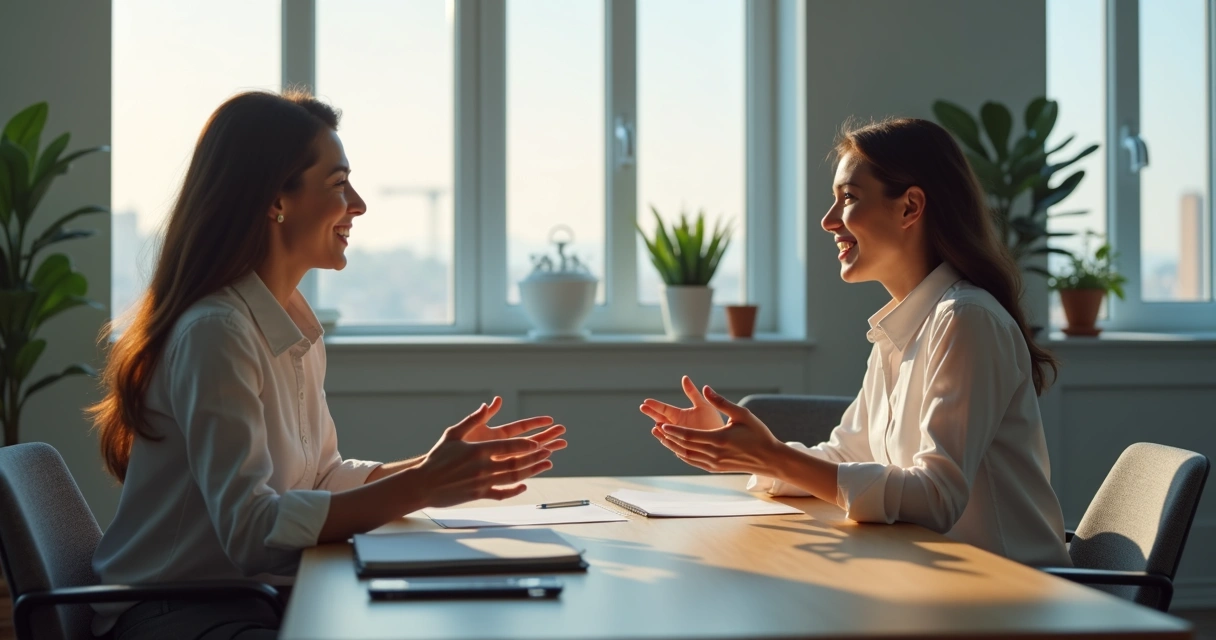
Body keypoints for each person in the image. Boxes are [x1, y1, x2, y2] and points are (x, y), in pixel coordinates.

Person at [88, 91, 566, 639]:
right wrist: (421, 487)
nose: (357, 204)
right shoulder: (216, 332)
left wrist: (430, 469)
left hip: (249, 597)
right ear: (276, 201)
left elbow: (320, 478)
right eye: (338, 185)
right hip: (176, 611)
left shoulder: (290, 322)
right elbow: (250, 533)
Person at [641, 117, 1070, 568]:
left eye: (848, 198)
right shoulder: (901, 328)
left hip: (1011, 599)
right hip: (936, 578)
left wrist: (772, 457)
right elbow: (848, 455)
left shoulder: (966, 319)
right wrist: (753, 452)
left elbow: (936, 498)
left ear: (910, 207)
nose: (828, 221)